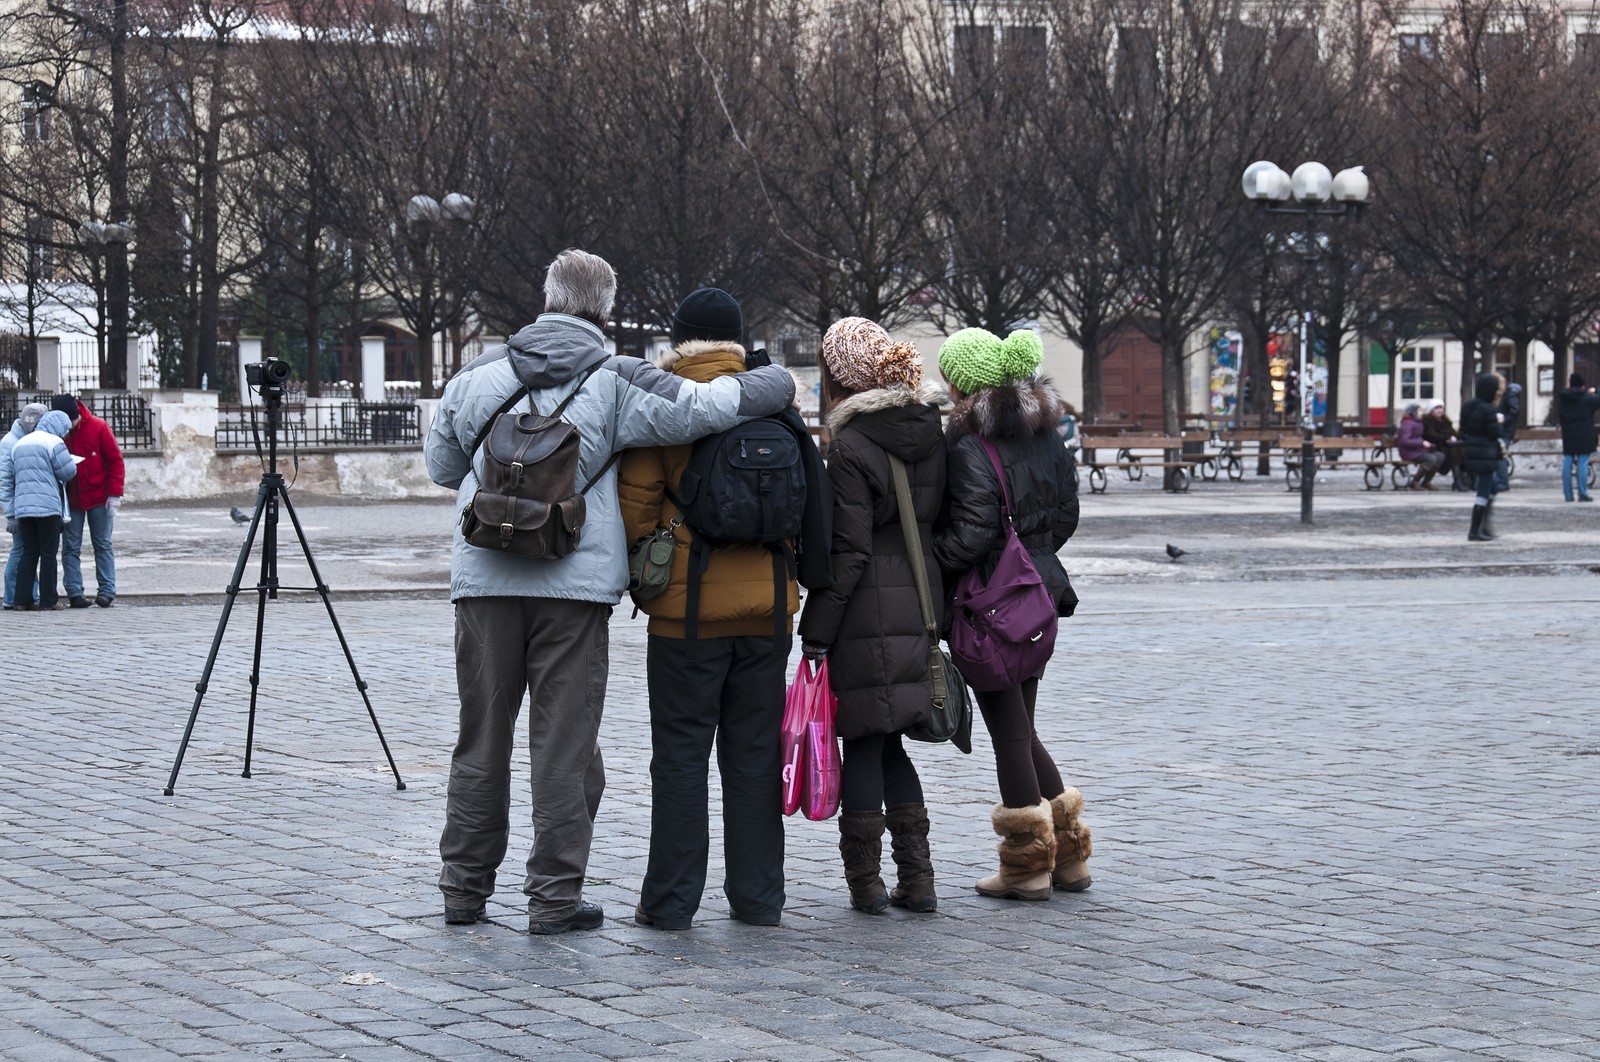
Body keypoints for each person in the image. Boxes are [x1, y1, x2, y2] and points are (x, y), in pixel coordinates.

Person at [424, 250, 796, 936]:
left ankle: (463, 892)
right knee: (563, 747)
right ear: (605, 312)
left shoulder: (475, 375)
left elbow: (443, 466)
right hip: (573, 590)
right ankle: (553, 900)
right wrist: (778, 379)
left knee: (480, 740)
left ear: (545, 299)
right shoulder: (617, 379)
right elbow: (708, 407)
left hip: (482, 584)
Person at [617, 288, 830, 931]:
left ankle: (671, 902)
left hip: (688, 617)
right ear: (738, 341)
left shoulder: (665, 407)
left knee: (681, 755)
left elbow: (633, 513)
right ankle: (759, 898)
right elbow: (809, 511)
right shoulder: (777, 408)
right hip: (768, 611)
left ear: (678, 342)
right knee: (754, 755)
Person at [797, 317, 949, 915]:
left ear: (841, 377)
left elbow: (851, 552)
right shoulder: (930, 432)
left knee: (862, 740)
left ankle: (867, 884)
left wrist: (817, 630)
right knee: (891, 746)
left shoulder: (852, 446)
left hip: (864, 613)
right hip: (919, 599)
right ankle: (920, 878)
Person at [931, 327, 1088, 902]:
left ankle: (1027, 868)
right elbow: (1066, 515)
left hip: (992, 605)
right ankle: (1069, 857)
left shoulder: (972, 445)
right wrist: (1036, 557)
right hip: (1039, 597)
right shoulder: (1046, 435)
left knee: (1009, 733)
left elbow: (970, 535)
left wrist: (935, 566)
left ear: (963, 381)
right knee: (1022, 727)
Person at [0, 408, 77, 610]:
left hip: (24, 508)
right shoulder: (53, 442)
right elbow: (68, 472)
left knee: (29, 553)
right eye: (65, 430)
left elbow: (11, 475)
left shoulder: (19, 444)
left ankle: (21, 600)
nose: (66, 434)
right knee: (48, 554)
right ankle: (48, 600)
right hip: (47, 508)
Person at [53, 393, 125, 608]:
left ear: (78, 415)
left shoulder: (98, 427)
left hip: (99, 496)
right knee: (70, 547)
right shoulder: (57, 432)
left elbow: (115, 462)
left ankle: (107, 590)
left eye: (72, 421)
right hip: (72, 499)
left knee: (102, 543)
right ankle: (75, 592)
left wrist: (114, 495)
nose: (69, 426)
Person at [1, 402, 48, 610]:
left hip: (25, 505)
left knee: (27, 551)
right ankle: (12, 597)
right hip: (20, 508)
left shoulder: (19, 439)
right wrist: (10, 513)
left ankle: (27, 594)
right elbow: (5, 480)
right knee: (20, 551)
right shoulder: (10, 443)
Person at [1460, 372, 1506, 541]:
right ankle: (1475, 530)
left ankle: (1484, 526)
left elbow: (1464, 427)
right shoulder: (1489, 409)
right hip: (1485, 453)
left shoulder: (1468, 405)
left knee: (1492, 488)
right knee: (1483, 492)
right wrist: (1499, 422)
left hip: (1472, 451)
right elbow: (1494, 433)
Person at [1557, 373, 1600, 503]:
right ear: (1582, 386)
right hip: (1584, 434)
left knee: (1568, 461)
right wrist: (1596, 390)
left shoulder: (1563, 398)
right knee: (1582, 462)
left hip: (1569, 435)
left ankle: (1568, 494)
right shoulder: (1587, 398)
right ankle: (1583, 493)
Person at [1396, 402, 1443, 489]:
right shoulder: (1407, 423)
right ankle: (1415, 481)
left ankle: (1426, 481)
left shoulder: (1418, 422)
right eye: (1419, 410)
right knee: (1431, 459)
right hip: (1408, 452)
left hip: (1418, 450)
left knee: (1440, 456)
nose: (1421, 412)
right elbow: (1405, 440)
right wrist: (1421, 443)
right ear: (1414, 412)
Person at [1421, 403, 1461, 483]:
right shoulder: (1427, 421)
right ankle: (1457, 480)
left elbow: (1453, 432)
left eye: (1441, 408)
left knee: (1461, 451)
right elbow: (1431, 435)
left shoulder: (1446, 421)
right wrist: (1447, 438)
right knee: (1453, 453)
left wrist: (1453, 436)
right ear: (1431, 410)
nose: (1439, 410)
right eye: (1436, 408)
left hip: (1447, 446)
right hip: (1434, 446)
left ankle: (1462, 479)